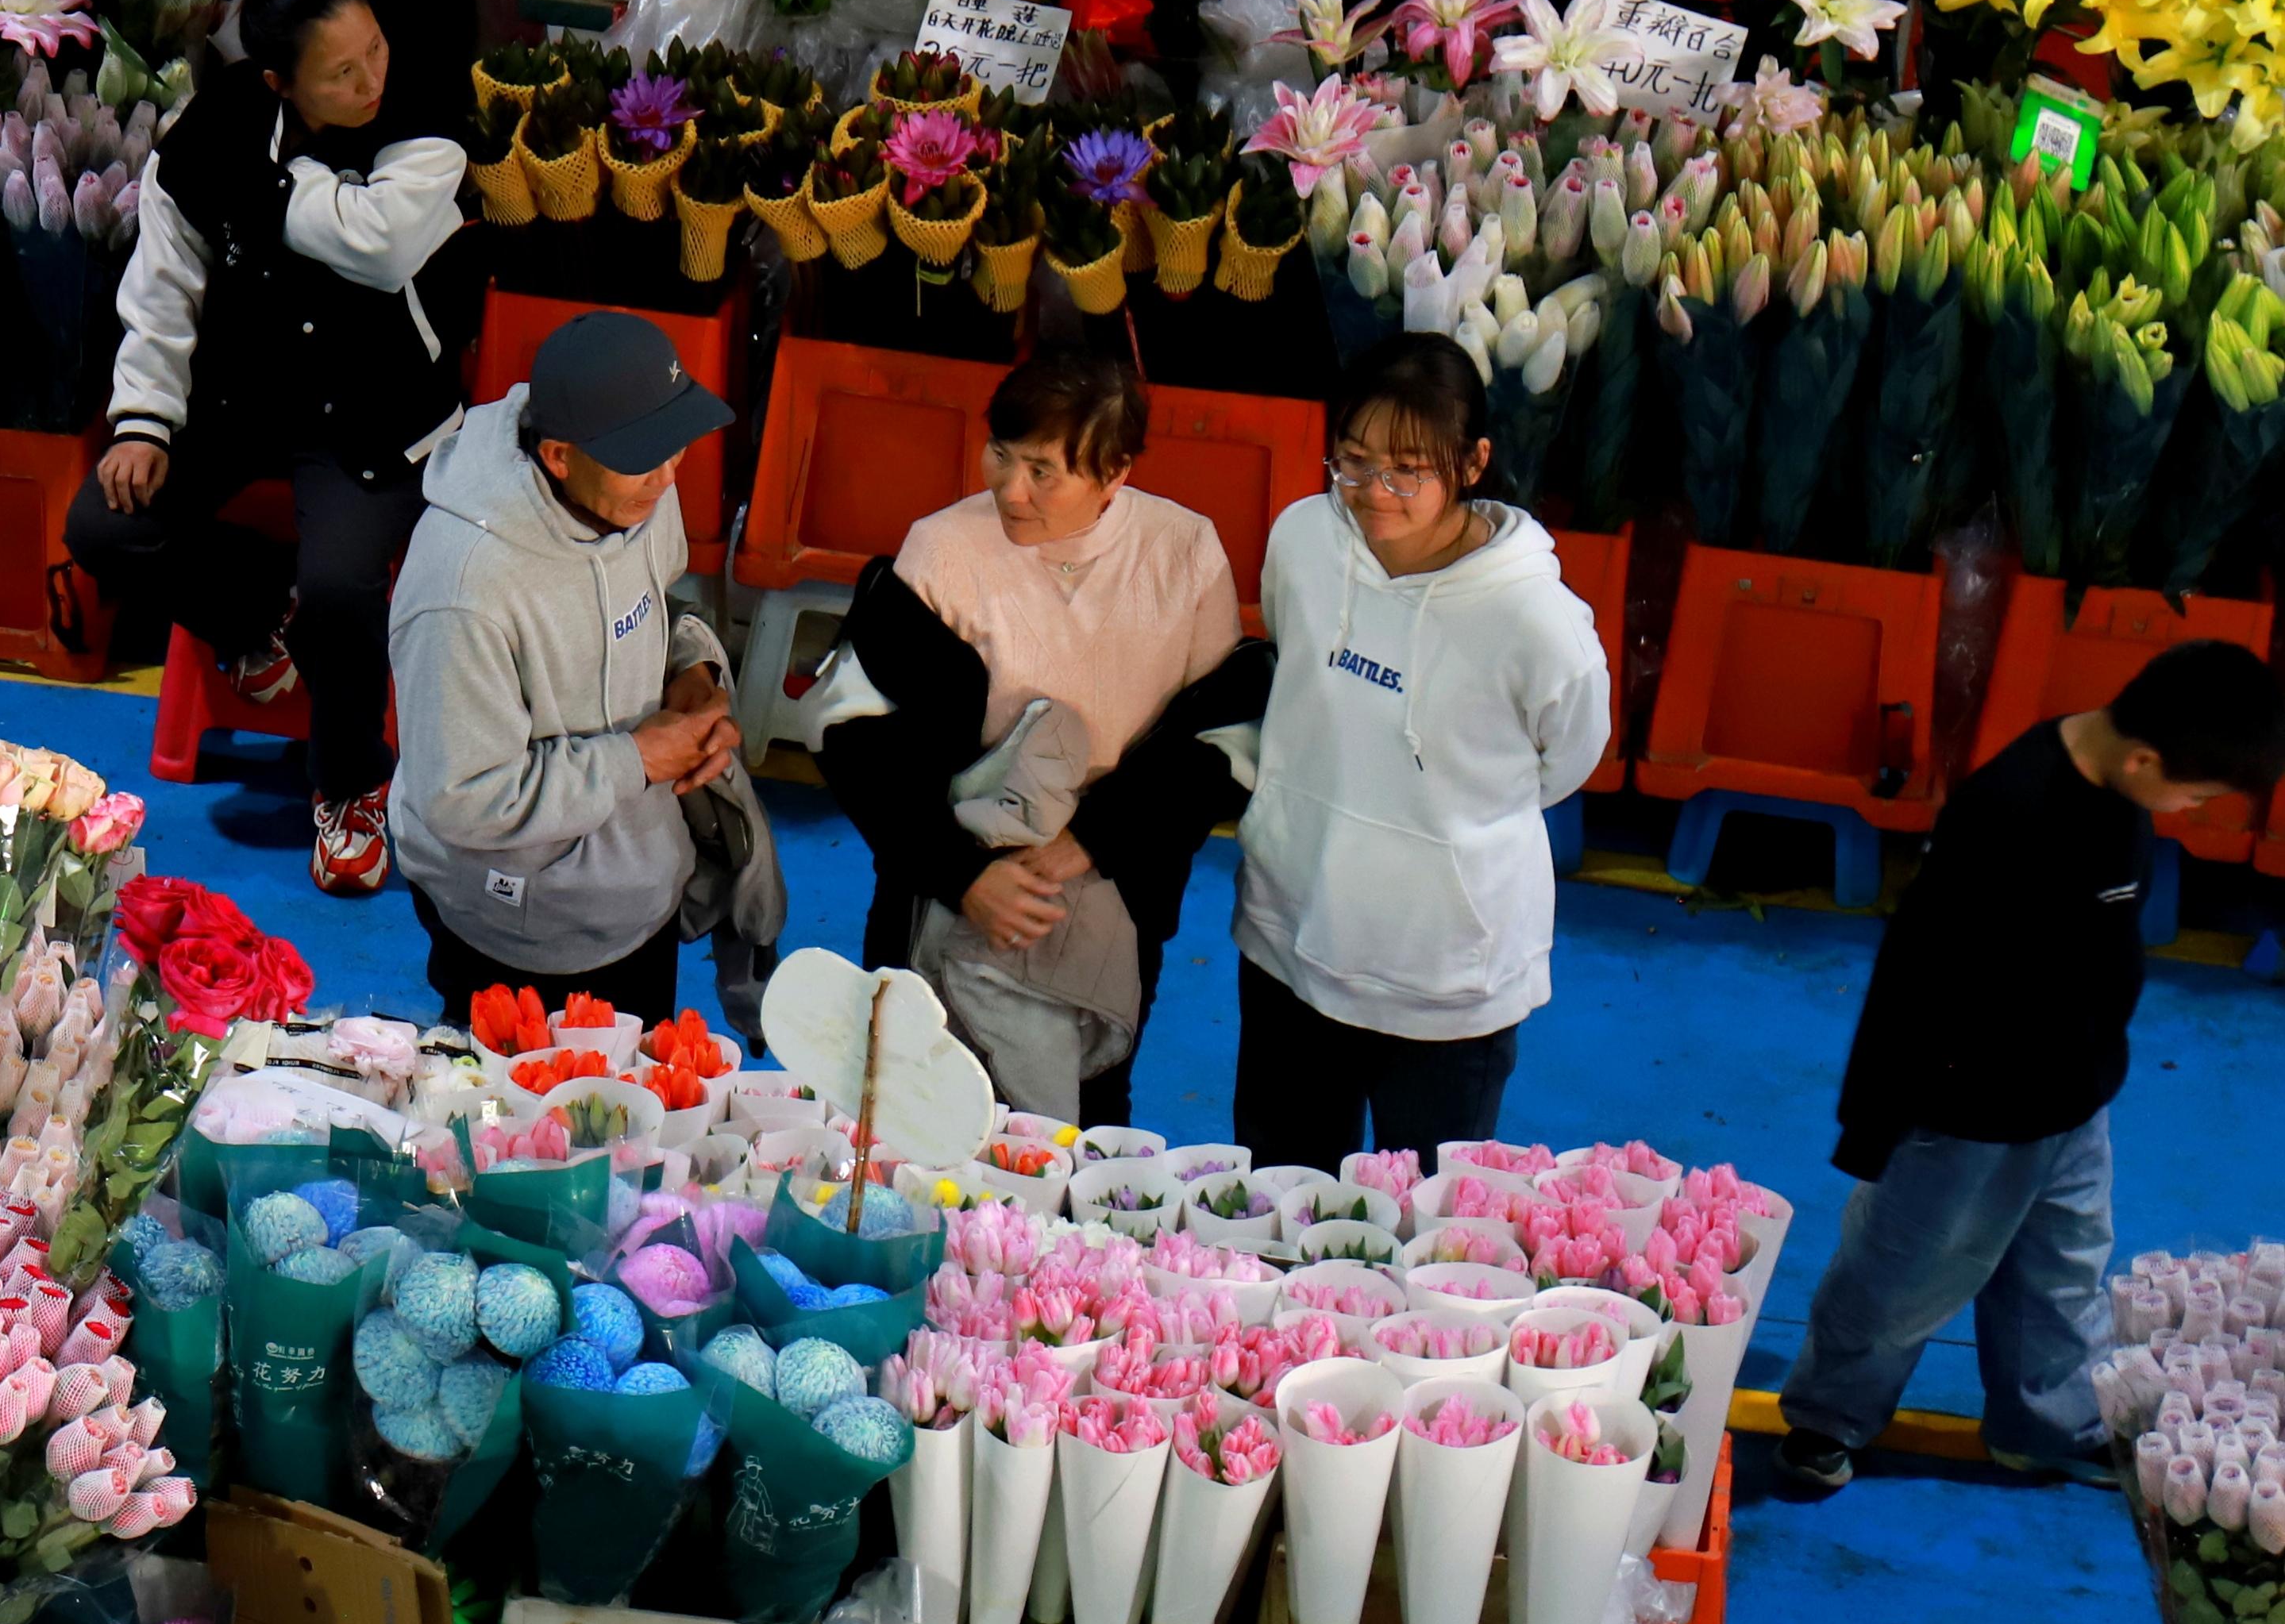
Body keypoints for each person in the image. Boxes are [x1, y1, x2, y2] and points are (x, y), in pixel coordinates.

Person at [1774, 637, 2285, 1499]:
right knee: (1905, 1269)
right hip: (1971, 1109)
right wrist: (1873, 1120)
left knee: (2065, 1272)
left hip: (2075, 1101)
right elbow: (1914, 975)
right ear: (2145, 758)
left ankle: (2044, 1427)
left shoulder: (2123, 793)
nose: (2191, 811)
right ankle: (1828, 1418)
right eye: (2195, 795)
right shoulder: (2007, 813)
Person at [67, 0, 466, 898]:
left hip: (374, 407)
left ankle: (351, 787)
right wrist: (143, 422)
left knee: (342, 586)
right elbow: (163, 288)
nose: (372, 80)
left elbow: (380, 244)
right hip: (242, 395)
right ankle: (259, 613)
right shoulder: (211, 134)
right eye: (343, 72)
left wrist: (268, 191)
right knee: (105, 526)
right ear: (280, 80)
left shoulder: (429, 114)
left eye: (375, 50)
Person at [812, 344, 1266, 1124]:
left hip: (1110, 895)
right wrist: (965, 876)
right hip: (943, 882)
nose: (1010, 490)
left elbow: (1217, 746)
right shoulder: (941, 549)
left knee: (1082, 1116)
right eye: (1001, 453)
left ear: (1115, 473)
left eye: (1043, 471)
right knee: (912, 1111)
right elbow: (857, 742)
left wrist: (1093, 840)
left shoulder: (1183, 552)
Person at [1227, 333, 1615, 1171]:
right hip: (1291, 940)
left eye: (1408, 470)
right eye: (1354, 461)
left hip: (1447, 983)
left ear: (1473, 462)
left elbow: (1568, 758)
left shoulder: (1536, 621)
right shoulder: (1304, 538)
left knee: (1421, 1221)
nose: (1375, 492)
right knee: (1277, 1198)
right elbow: (1295, 662)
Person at [387, 310, 784, 1023]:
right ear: (560, 457)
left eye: (676, 445)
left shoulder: (633, 487)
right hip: (515, 922)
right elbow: (463, 798)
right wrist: (639, 759)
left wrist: (694, 670)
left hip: (640, 888)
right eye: (644, 456)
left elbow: (655, 606)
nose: (667, 476)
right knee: (508, 1093)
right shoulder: (462, 592)